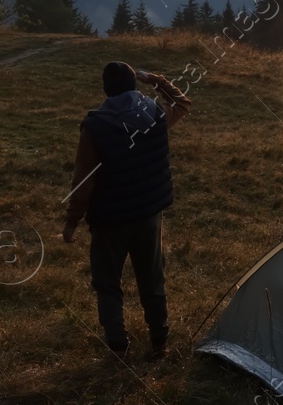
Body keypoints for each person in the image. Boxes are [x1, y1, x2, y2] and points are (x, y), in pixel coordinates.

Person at [62, 61, 192, 356]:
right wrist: (155, 79)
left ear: (105, 89)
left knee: (107, 283)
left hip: (110, 219)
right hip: (149, 215)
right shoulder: (156, 113)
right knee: (152, 279)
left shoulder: (95, 127)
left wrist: (72, 221)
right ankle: (159, 341)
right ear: (135, 85)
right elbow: (181, 102)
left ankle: (118, 346)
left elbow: (84, 181)